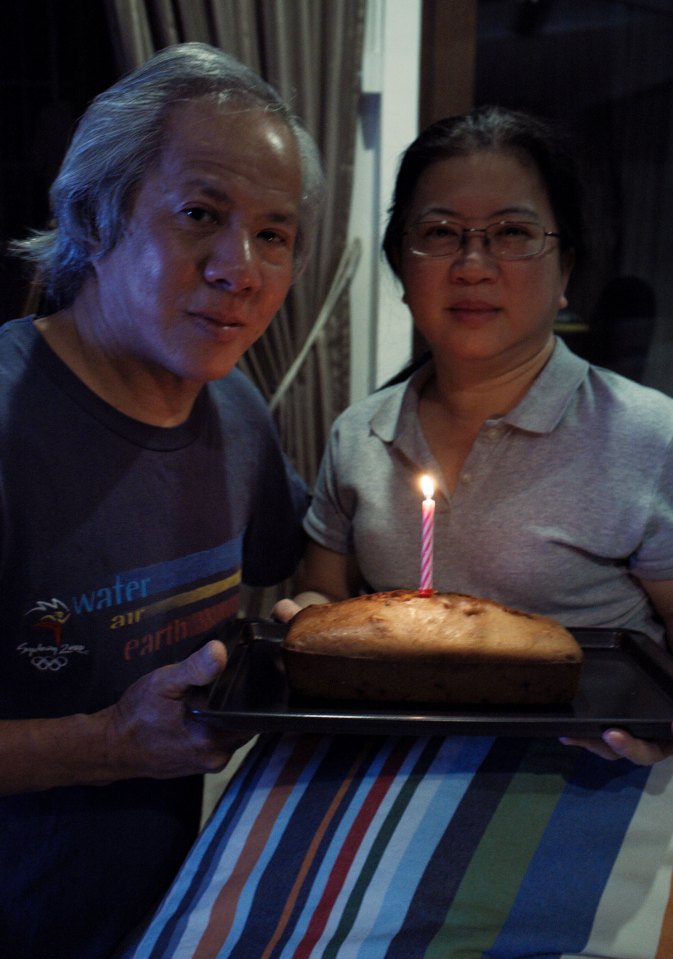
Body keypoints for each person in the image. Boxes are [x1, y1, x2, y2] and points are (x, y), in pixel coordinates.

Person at [0, 42, 324, 959]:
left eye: (274, 232)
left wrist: (304, 629)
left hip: (171, 923)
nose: (243, 267)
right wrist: (108, 739)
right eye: (199, 214)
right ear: (94, 218)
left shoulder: (234, 408)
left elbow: (280, 580)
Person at [275, 105, 673, 766]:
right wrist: (305, 618)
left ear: (564, 269)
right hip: (388, 773)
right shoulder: (357, 434)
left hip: (584, 784)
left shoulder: (646, 436)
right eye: (439, 231)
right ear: (402, 267)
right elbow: (326, 596)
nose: (471, 264)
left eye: (512, 232)